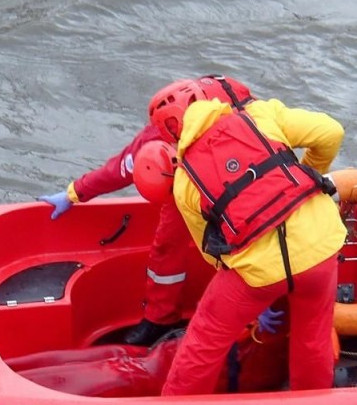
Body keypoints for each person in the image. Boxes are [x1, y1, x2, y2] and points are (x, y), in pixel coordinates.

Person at [136, 89, 346, 395]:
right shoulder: (261, 114)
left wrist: (254, 288)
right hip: (320, 245)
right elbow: (331, 132)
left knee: (204, 339)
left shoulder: (184, 181)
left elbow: (213, 253)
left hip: (258, 270)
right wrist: (310, 175)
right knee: (313, 337)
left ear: (171, 133)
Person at [39, 75, 255, 346]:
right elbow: (117, 170)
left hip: (239, 175)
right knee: (166, 245)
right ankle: (160, 318)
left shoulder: (241, 127)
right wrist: (73, 193)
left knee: (246, 240)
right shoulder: (154, 140)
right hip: (187, 178)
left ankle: (251, 310)